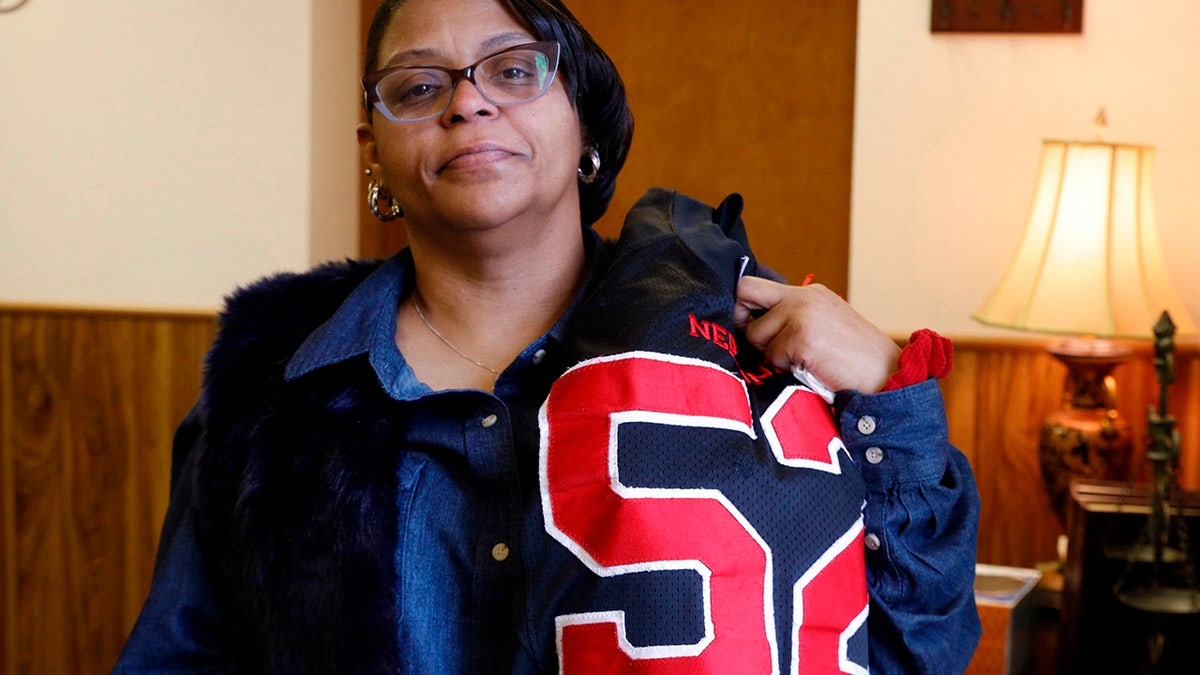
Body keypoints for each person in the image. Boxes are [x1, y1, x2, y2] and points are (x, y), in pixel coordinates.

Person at [114, 0, 981, 672]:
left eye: (514, 70)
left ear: (585, 126)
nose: (467, 102)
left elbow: (912, 653)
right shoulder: (265, 386)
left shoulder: (745, 353)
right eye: (419, 86)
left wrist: (889, 393)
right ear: (373, 151)